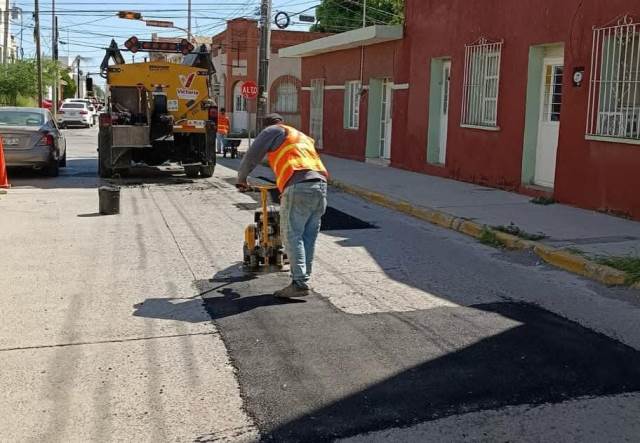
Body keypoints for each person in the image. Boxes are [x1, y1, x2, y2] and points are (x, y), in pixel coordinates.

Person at [237, 114, 328, 298]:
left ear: (265, 125)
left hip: (299, 186)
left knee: (292, 234)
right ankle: (302, 280)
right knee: (308, 236)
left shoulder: (272, 130)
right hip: (320, 186)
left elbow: (252, 156)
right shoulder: (299, 135)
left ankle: (298, 283)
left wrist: (241, 179)